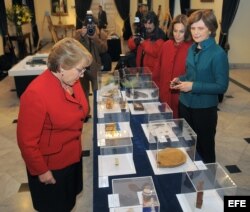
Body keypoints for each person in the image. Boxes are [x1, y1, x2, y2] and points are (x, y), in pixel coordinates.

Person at [17, 37, 93, 212]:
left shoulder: (71, 80)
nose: (82, 75)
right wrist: (41, 171)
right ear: (61, 67)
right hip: (51, 168)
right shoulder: (36, 93)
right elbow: (26, 142)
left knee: (68, 204)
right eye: (80, 70)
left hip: (72, 158)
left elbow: (79, 111)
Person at [170, 10, 229, 163]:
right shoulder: (192, 48)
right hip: (185, 105)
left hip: (204, 110)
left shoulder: (218, 54)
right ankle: (190, 180)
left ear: (210, 29)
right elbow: (190, 75)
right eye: (193, 28)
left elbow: (221, 86)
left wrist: (193, 86)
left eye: (200, 28)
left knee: (205, 150)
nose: (195, 32)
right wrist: (179, 79)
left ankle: (208, 184)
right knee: (189, 146)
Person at [155, 14, 192, 118]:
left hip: (181, 97)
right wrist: (156, 90)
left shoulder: (191, 48)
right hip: (164, 93)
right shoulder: (166, 45)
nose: (177, 35)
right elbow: (158, 69)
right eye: (175, 31)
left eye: (181, 31)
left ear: (187, 32)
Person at [75, 11, 108, 121]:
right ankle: (85, 114)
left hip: (95, 68)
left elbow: (104, 49)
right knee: (83, 93)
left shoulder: (100, 34)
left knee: (97, 92)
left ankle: (99, 112)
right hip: (82, 68)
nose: (90, 27)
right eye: (87, 25)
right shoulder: (78, 33)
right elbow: (74, 49)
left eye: (92, 25)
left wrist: (95, 38)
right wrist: (82, 37)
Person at [128, 11, 166, 86]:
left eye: (150, 23)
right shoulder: (143, 31)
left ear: (155, 23)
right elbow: (130, 45)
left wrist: (143, 43)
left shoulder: (160, 35)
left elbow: (155, 51)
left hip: (152, 74)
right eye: (145, 23)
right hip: (141, 70)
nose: (147, 26)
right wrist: (134, 41)